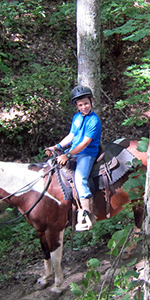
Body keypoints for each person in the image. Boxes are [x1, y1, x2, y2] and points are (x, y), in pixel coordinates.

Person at [46, 85, 101, 230]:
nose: (84, 107)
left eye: (86, 104)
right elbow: (71, 136)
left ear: (92, 101)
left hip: (87, 154)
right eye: (80, 105)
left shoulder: (94, 120)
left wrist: (68, 155)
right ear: (76, 105)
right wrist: (57, 147)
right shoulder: (76, 117)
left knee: (79, 178)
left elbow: (85, 143)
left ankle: (87, 214)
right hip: (73, 151)